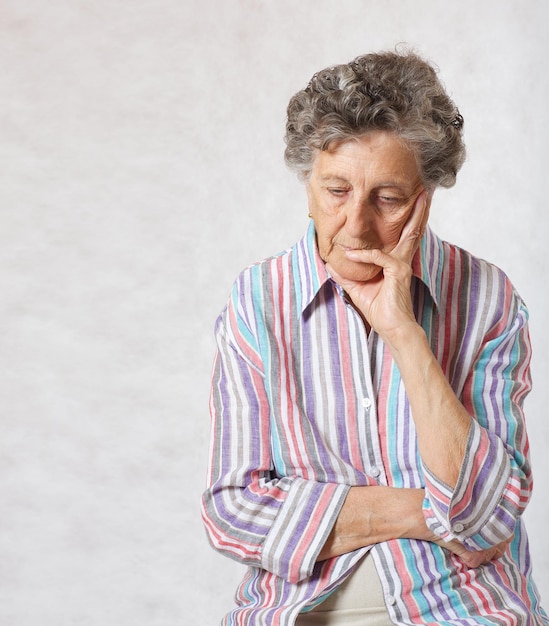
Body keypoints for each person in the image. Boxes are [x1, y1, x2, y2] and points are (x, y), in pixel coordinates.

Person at [201, 49, 548, 625]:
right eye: (336, 191)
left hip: (461, 611)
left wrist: (403, 331)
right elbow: (233, 508)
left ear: (425, 198)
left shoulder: (487, 298)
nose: (357, 225)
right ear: (308, 182)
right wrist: (425, 511)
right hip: (300, 612)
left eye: (387, 199)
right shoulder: (257, 301)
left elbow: (487, 520)